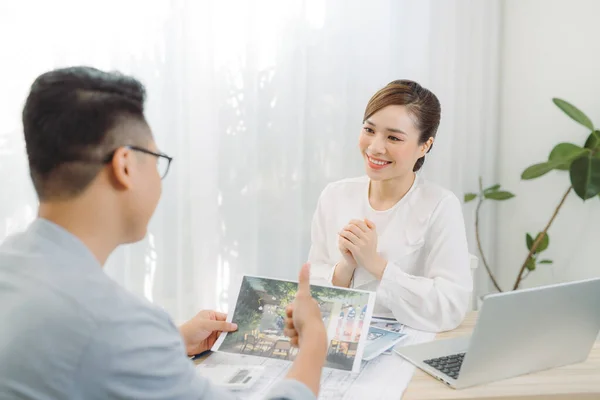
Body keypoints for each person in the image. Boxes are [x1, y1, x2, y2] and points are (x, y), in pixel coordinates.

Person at [0, 66, 327, 399]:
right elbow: (103, 338)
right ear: (125, 166)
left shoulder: (11, 266)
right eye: (157, 159)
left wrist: (171, 339)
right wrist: (313, 343)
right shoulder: (116, 326)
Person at [308, 80, 472, 333]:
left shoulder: (440, 205)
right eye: (369, 130)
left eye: (394, 137)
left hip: (408, 345)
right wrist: (346, 267)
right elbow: (312, 293)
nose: (375, 148)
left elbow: (450, 306)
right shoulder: (335, 195)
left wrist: (375, 264)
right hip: (337, 341)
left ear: (424, 146)